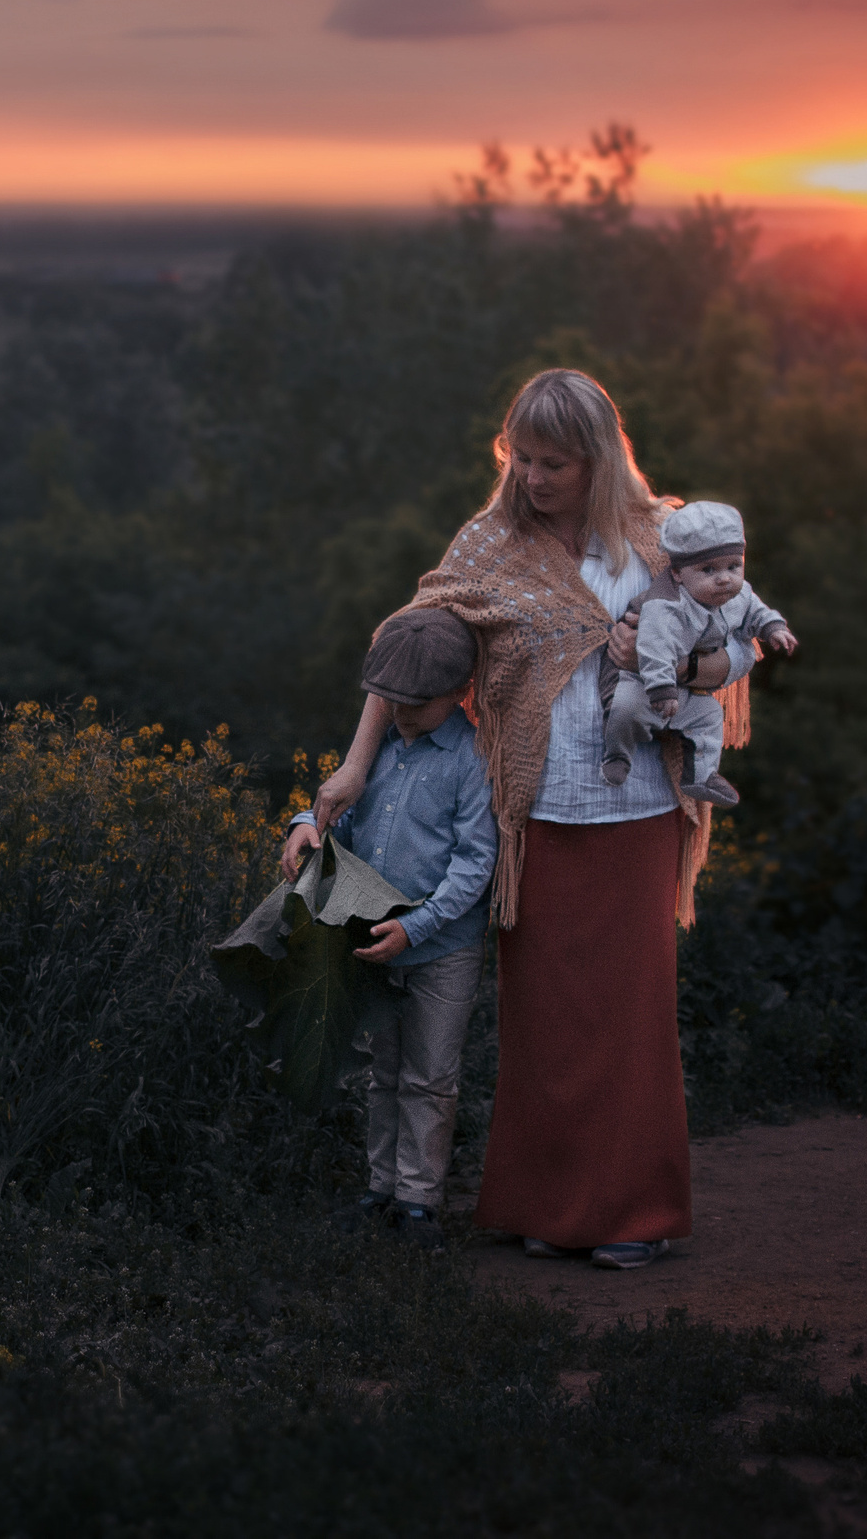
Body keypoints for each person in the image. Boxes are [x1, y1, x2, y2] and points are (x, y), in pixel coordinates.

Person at [309, 368, 759, 1270]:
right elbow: (406, 646)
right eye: (522, 458)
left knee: (628, 1017)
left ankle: (630, 1215)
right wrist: (353, 768)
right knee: (545, 1023)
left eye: (555, 462)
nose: (534, 478)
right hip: (533, 818)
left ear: (599, 458)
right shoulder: (489, 545)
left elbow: (734, 642)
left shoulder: (661, 538)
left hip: (638, 816)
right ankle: (547, 1210)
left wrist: (679, 667)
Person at [282, 607, 496, 1254]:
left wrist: (419, 927)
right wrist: (304, 826)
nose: (402, 714)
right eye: (393, 702)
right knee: (384, 1073)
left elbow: (475, 863)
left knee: (429, 1077)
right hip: (374, 941)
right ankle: (379, 1192)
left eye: (418, 704)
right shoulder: (376, 754)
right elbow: (340, 822)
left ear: (461, 691)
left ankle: (419, 1204)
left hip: (441, 948)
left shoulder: (471, 759)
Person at [600, 500, 797, 810]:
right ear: (678, 573)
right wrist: (662, 689)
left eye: (733, 566)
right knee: (624, 709)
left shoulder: (736, 592)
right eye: (708, 569)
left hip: (684, 684)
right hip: (641, 678)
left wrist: (773, 628)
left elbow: (753, 609)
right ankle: (617, 754)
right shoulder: (664, 606)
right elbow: (653, 651)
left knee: (710, 715)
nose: (724, 578)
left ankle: (701, 776)